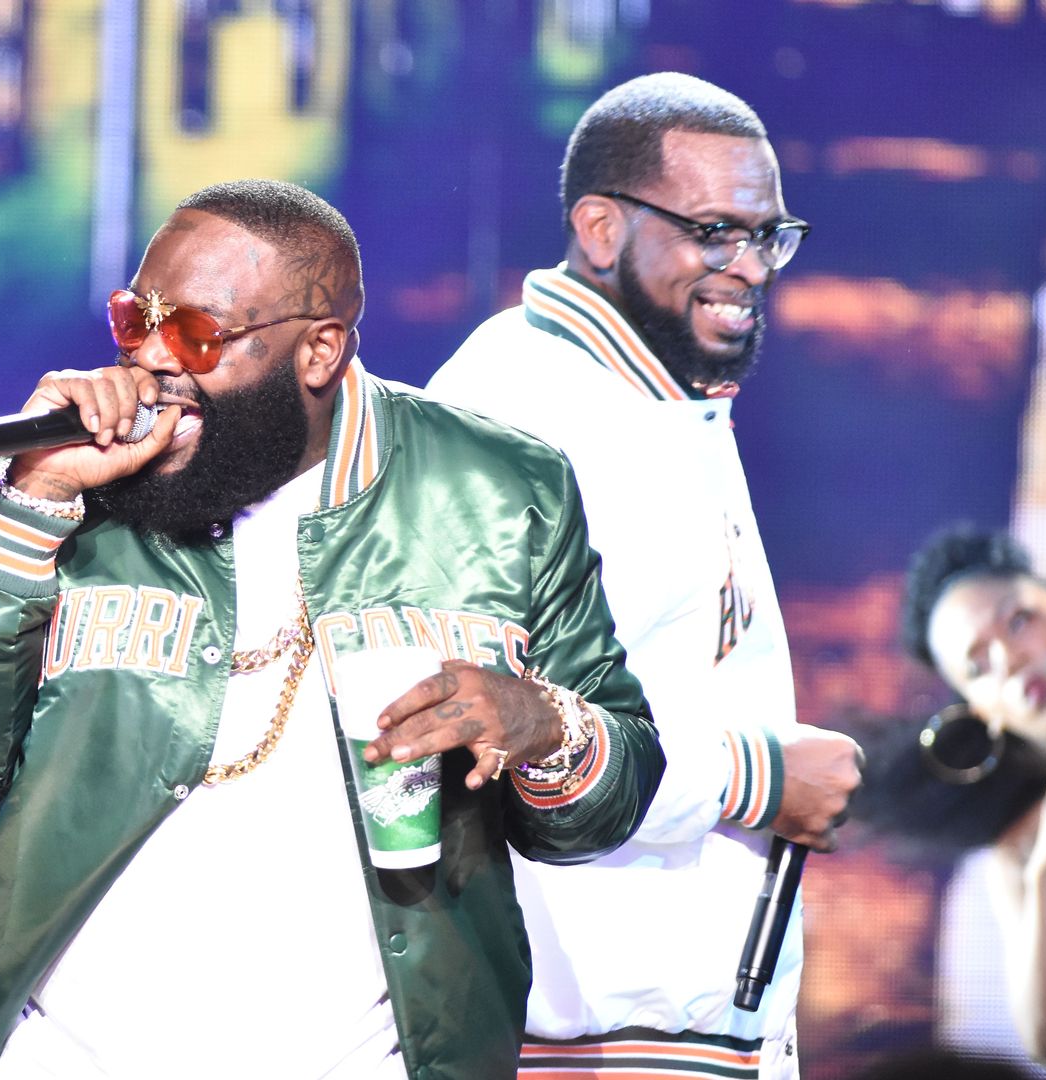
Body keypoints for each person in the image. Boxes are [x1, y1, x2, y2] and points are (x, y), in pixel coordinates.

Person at [0, 178, 667, 1078]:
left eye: (197, 333)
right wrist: (36, 499)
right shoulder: (51, 483)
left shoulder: (499, 492)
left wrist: (546, 726)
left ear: (319, 351)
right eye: (137, 319)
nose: (154, 361)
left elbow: (610, 798)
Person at [425, 72, 862, 1076]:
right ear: (600, 226)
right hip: (581, 1030)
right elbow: (484, 726)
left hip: (667, 1020)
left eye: (768, 235)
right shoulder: (521, 409)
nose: (749, 266)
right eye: (715, 230)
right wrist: (762, 777)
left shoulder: (660, 395)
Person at [873, 524, 1046, 1074]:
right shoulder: (1021, 848)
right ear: (979, 707)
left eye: (1019, 621)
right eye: (979, 664)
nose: (1011, 660)